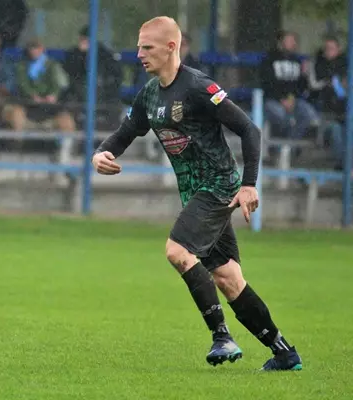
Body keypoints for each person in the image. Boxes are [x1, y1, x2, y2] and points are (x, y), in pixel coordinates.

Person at [92, 16, 302, 372]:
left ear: (171, 47)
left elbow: (249, 129)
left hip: (218, 185)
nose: (139, 54)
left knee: (177, 250)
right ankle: (284, 353)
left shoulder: (198, 87)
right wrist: (101, 153)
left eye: (147, 47)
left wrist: (249, 184)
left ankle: (222, 336)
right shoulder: (149, 94)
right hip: (195, 193)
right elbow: (126, 132)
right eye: (139, 47)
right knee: (228, 278)